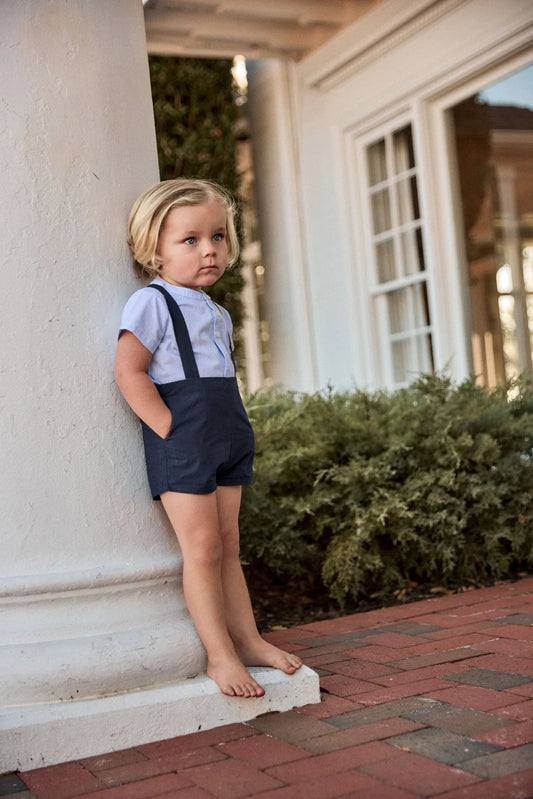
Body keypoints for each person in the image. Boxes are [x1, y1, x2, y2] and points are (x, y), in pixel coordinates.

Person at [114, 178, 302, 698]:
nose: (210, 250)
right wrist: (169, 428)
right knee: (201, 547)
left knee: (228, 545)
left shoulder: (216, 311)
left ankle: (249, 641)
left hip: (226, 433)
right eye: (190, 240)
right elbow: (129, 371)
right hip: (186, 437)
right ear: (155, 249)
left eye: (217, 236)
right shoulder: (152, 303)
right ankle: (220, 656)